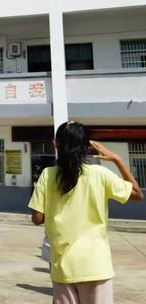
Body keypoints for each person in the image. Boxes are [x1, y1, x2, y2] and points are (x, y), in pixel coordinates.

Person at [29, 121, 144, 304]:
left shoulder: (47, 175)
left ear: (55, 143)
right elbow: (137, 194)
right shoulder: (100, 174)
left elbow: (37, 218)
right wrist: (117, 159)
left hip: (62, 268)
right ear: (87, 147)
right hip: (96, 266)